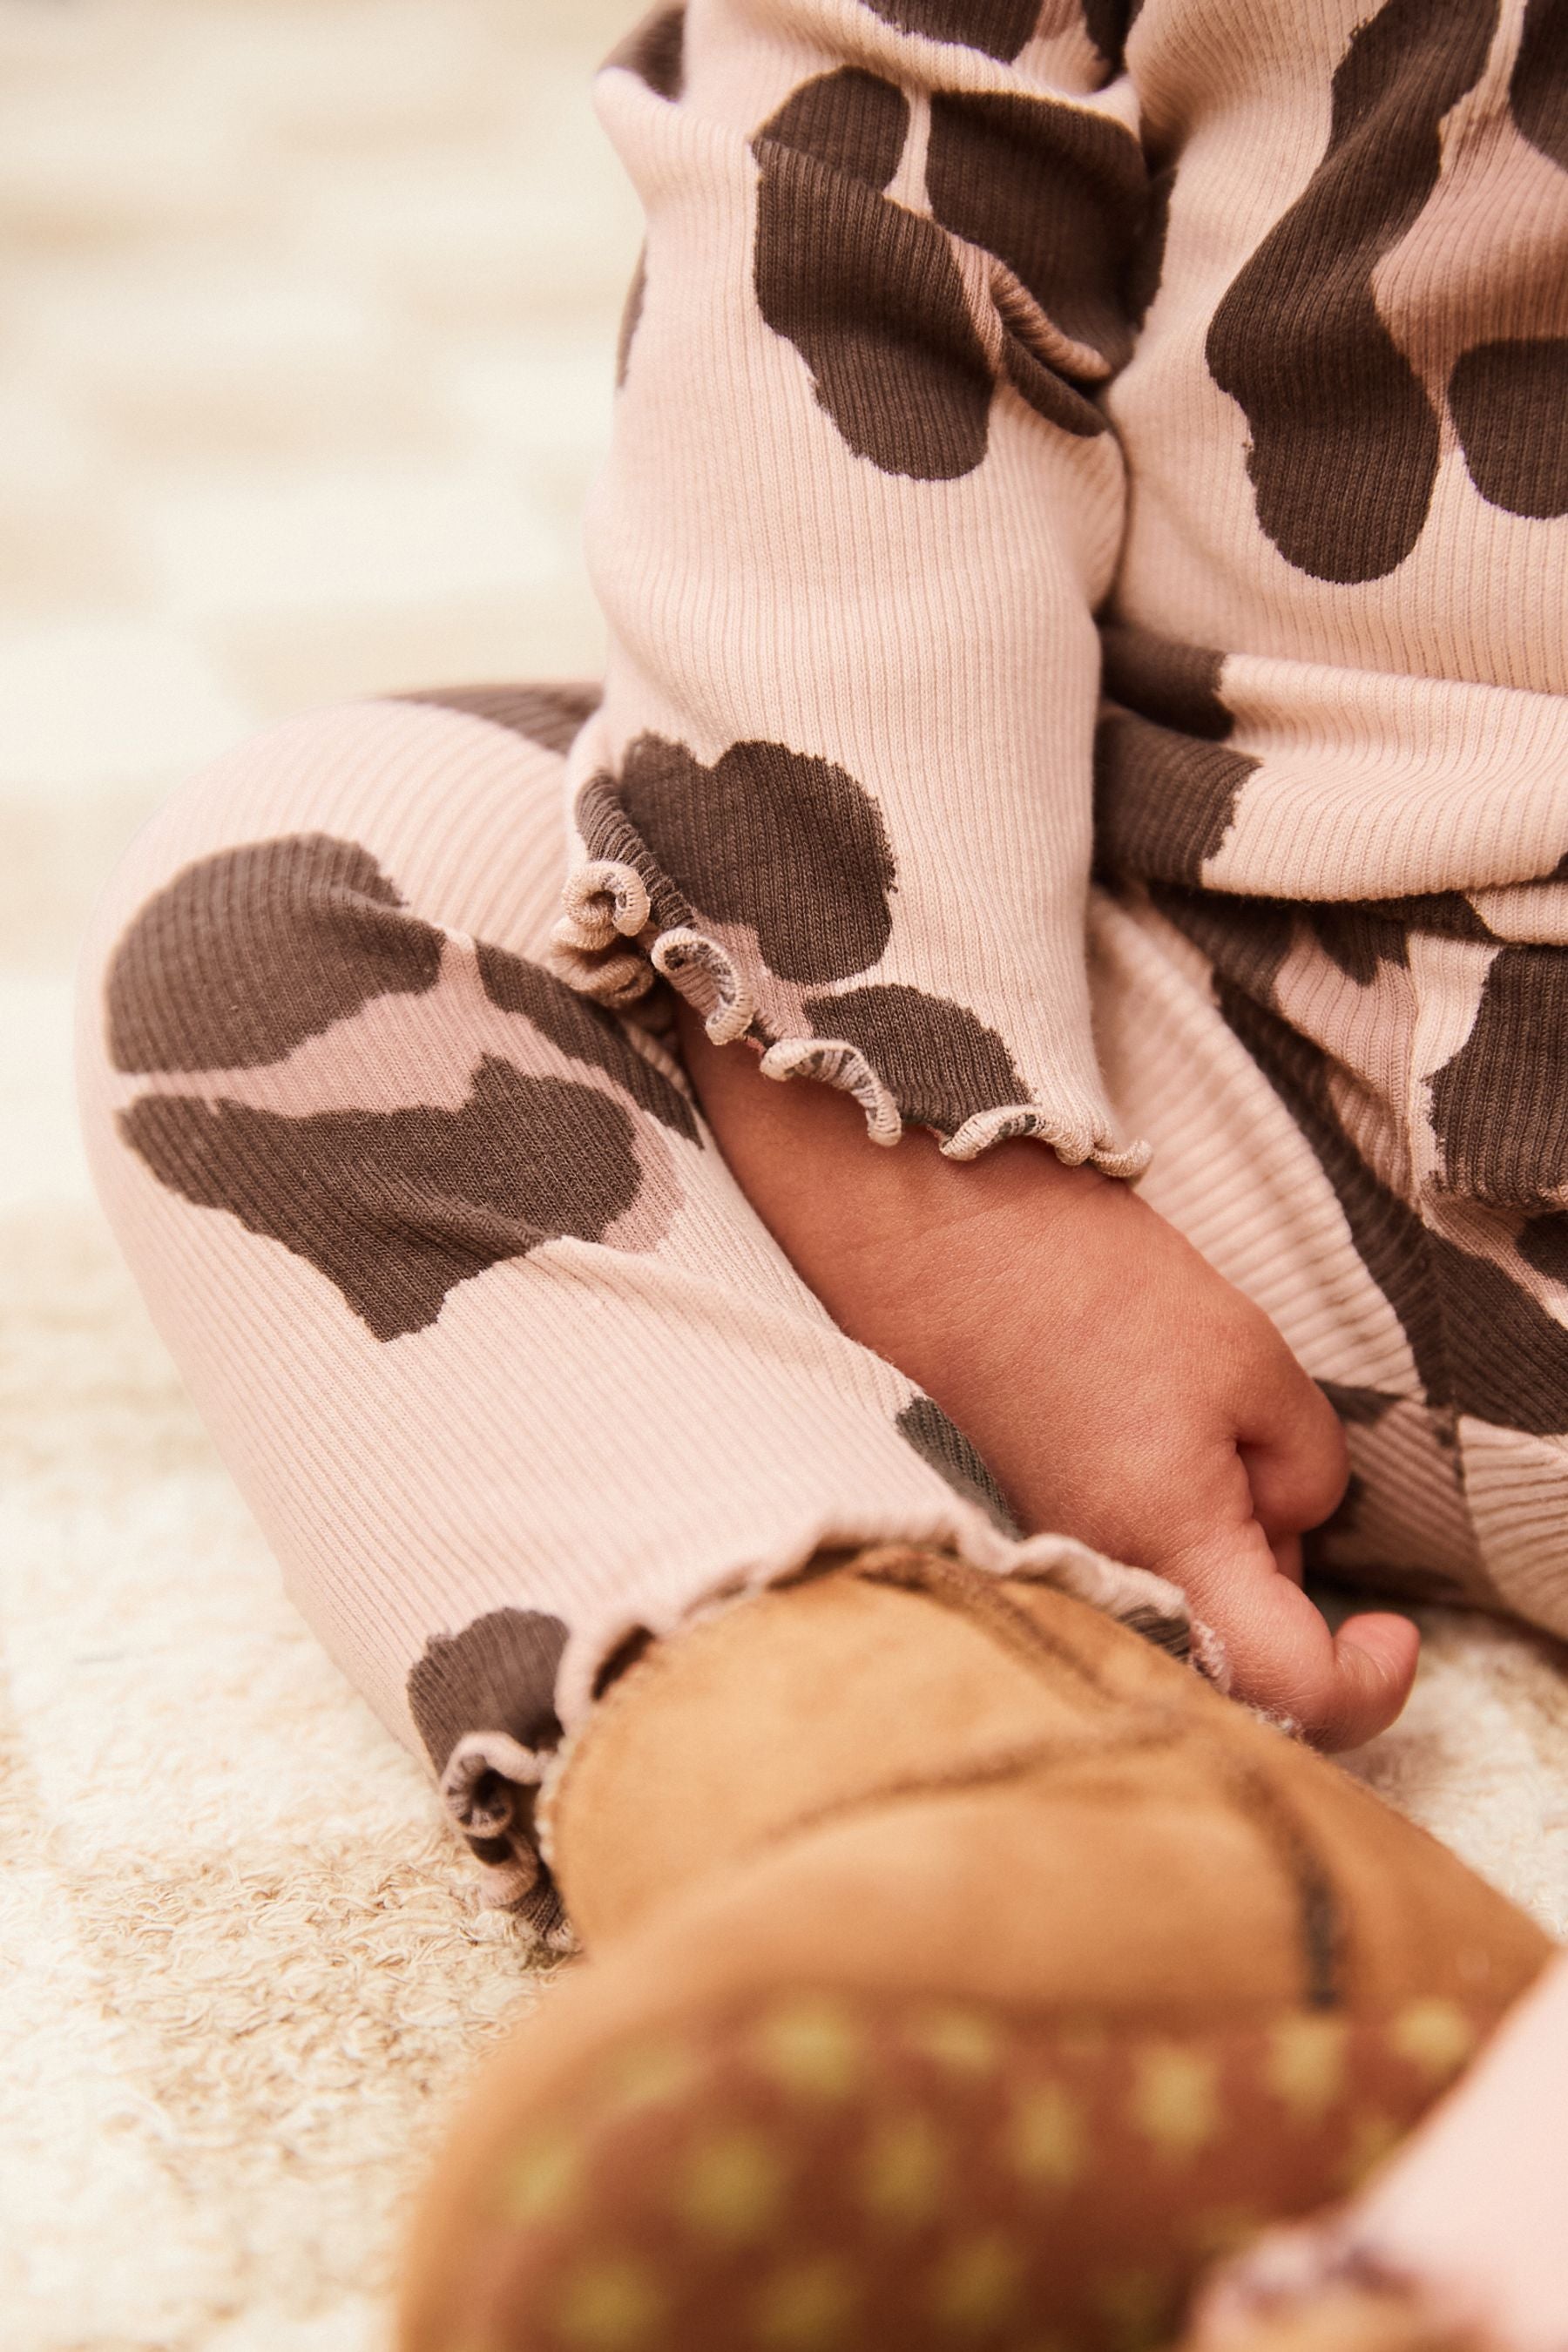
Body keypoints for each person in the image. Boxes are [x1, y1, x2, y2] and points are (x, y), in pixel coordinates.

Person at [78, 0, 1568, 2343]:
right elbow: (854, 186)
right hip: (1234, 1014)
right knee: (316, 908)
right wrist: (918, 1120)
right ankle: (1029, 1824)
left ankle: (1480, 2211)